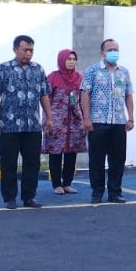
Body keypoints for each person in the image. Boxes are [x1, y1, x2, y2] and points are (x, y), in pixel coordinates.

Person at [0, 34, 50, 210]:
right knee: (9, 163)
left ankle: (29, 197)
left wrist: (49, 117)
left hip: (32, 126)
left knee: (32, 163)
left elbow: (44, 95)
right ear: (16, 49)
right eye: (25, 50)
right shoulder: (2, 69)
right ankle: (9, 198)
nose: (28, 53)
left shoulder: (38, 70)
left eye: (31, 50)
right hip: (9, 126)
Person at [83, 38, 135, 203]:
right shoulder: (92, 70)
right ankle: (97, 192)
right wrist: (86, 118)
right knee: (96, 159)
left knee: (118, 160)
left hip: (119, 122)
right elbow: (85, 94)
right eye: (110, 50)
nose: (113, 53)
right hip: (98, 121)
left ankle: (115, 192)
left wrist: (131, 118)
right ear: (102, 53)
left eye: (116, 50)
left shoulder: (124, 72)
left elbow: (128, 95)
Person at [44, 49, 88, 194]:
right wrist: (47, 119)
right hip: (56, 120)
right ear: (61, 60)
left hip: (75, 120)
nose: (71, 62)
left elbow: (83, 100)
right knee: (55, 152)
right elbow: (46, 100)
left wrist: (85, 119)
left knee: (72, 152)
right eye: (68, 59)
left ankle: (67, 183)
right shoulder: (53, 77)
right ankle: (57, 184)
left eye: (74, 59)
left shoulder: (80, 78)